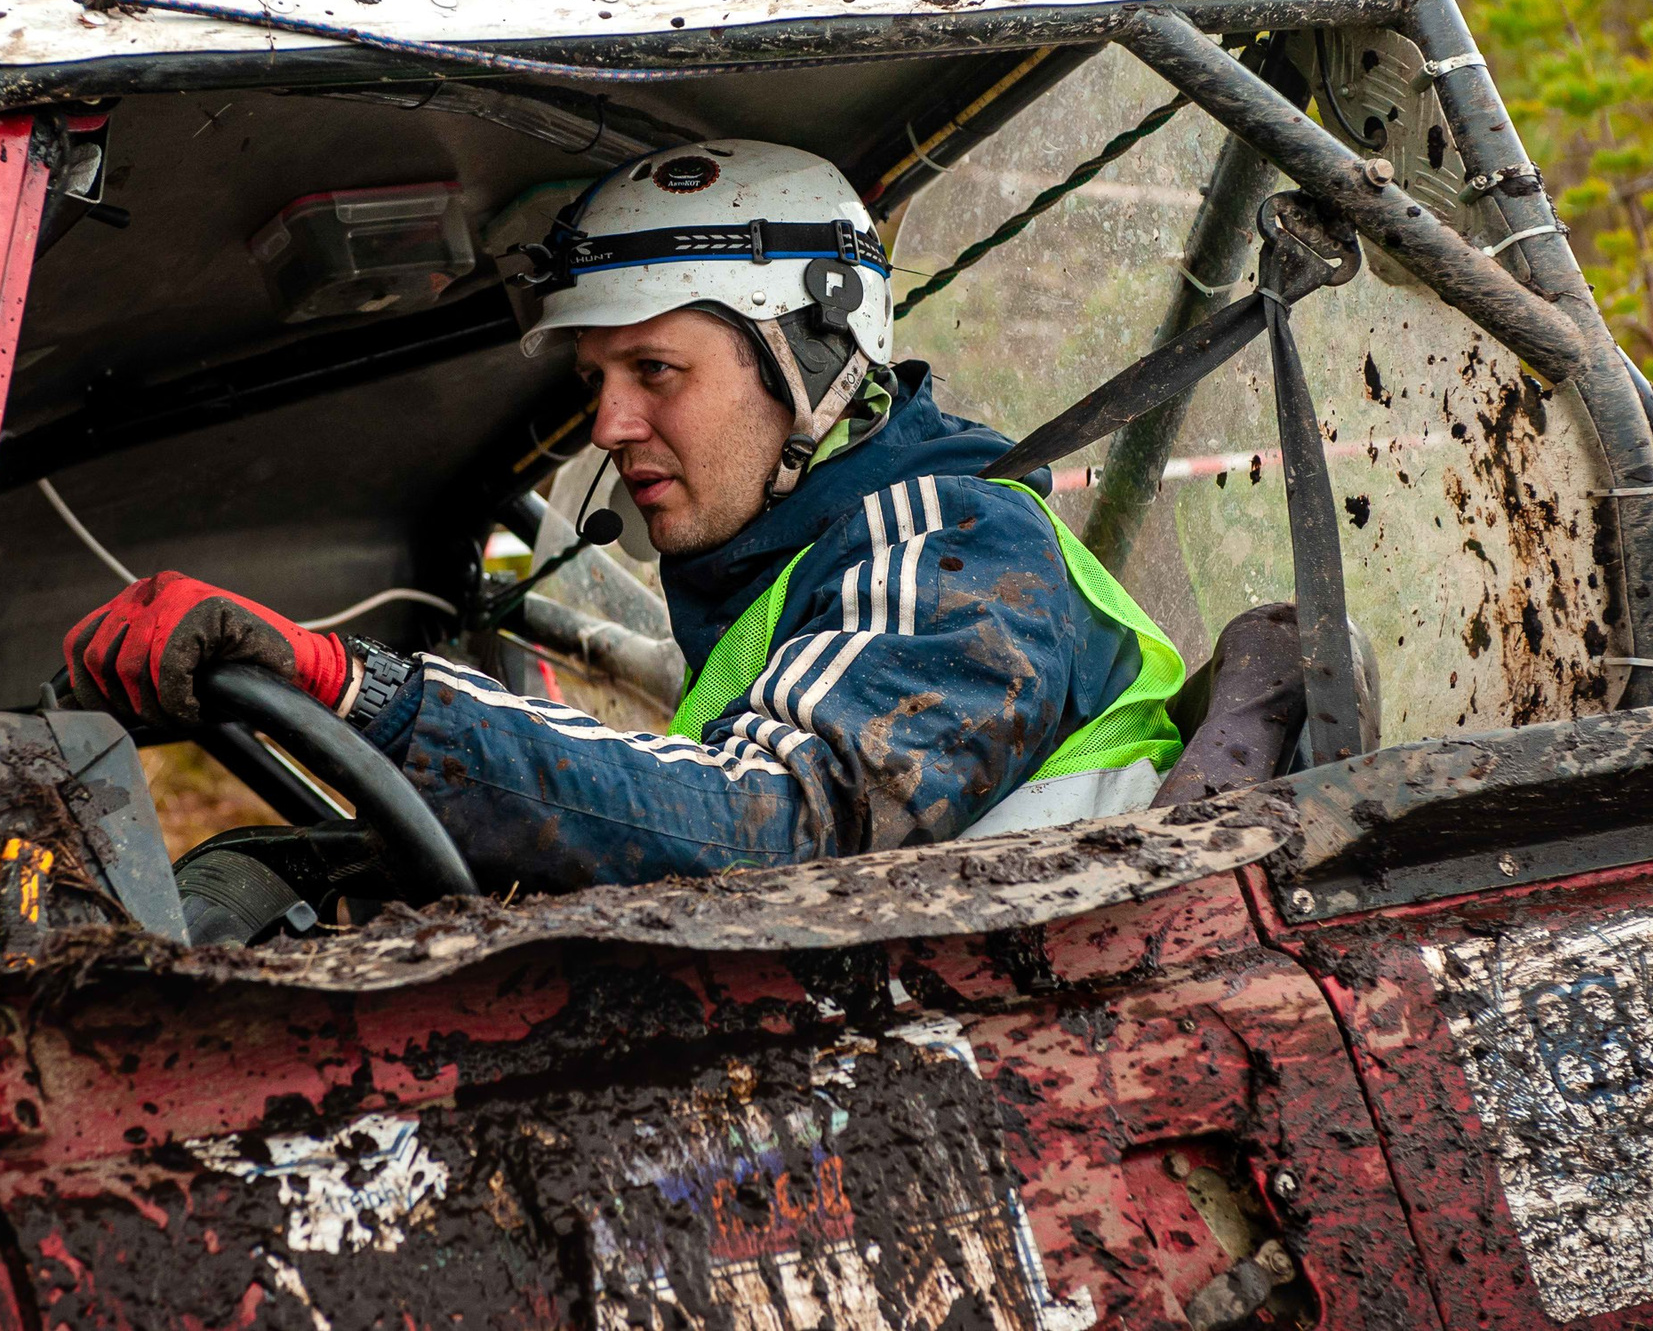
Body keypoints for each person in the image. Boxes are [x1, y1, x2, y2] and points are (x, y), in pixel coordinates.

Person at [61, 140, 1188, 892]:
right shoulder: (790, 570)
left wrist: (358, 686)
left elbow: (773, 831)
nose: (608, 423)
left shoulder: (954, 545)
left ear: (813, 355)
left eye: (655, 369)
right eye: (597, 379)